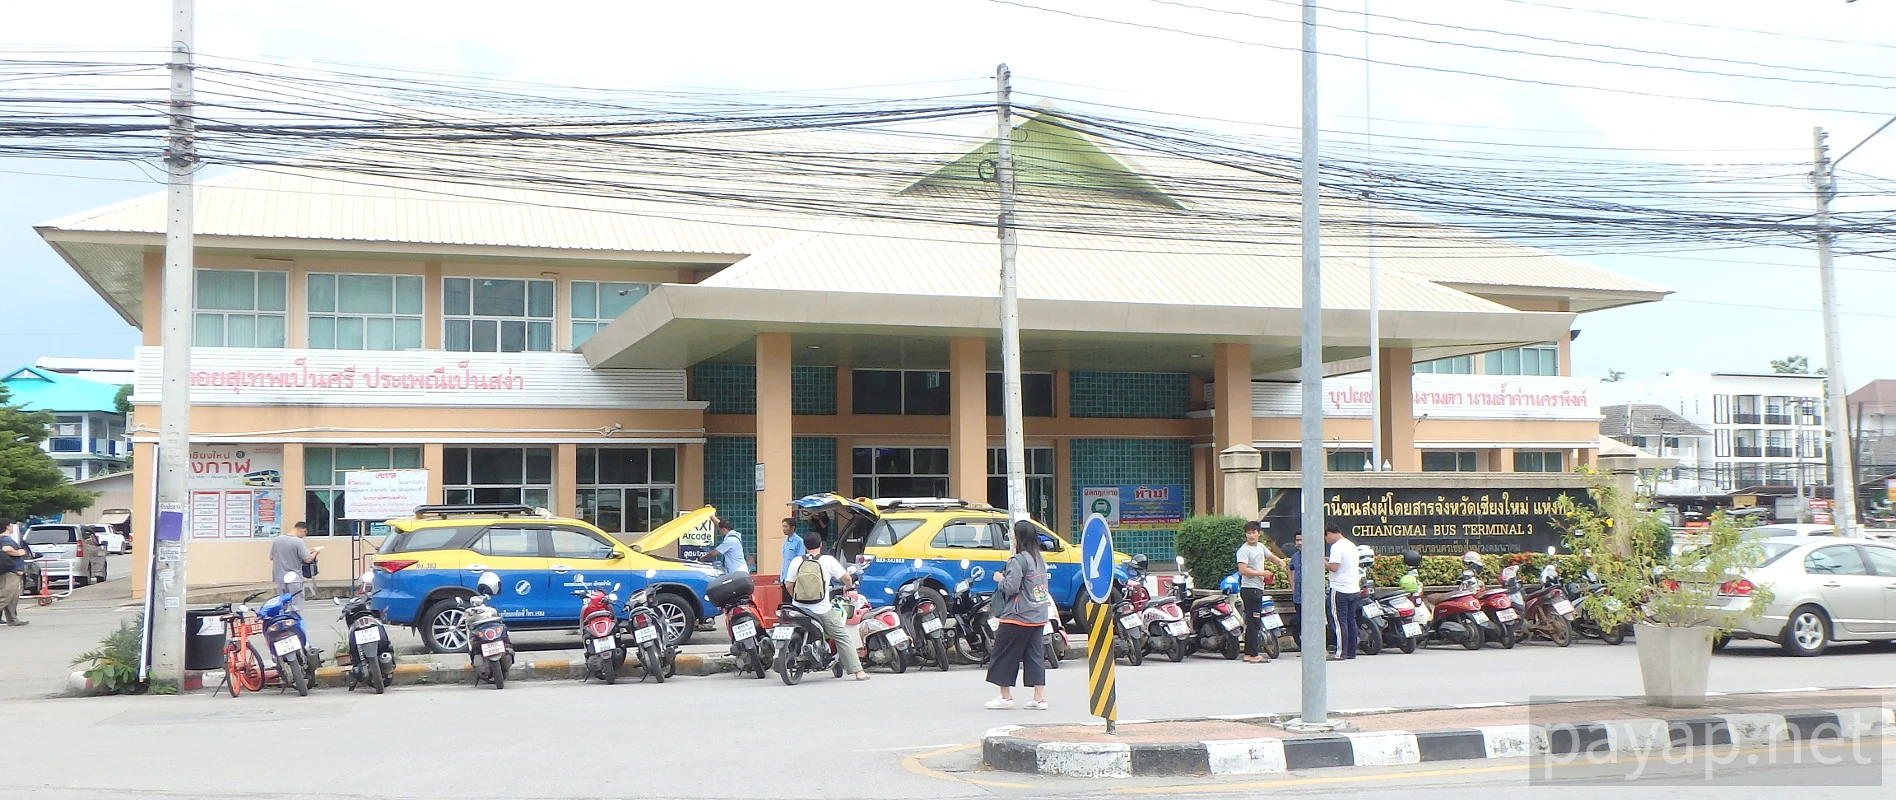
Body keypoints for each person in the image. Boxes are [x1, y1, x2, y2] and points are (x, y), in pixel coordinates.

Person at [986, 519, 1052, 710]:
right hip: (1038, 614)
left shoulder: (1018, 560)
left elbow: (1011, 587)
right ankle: (1040, 698)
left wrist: (1000, 579)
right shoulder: (1039, 558)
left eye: (1013, 534)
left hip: (1017, 616)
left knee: (1003, 654)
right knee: (1035, 656)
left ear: (1019, 537)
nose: (1011, 537)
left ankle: (1005, 697)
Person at [784, 532, 868, 681]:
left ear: (804, 546)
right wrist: (847, 587)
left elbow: (788, 585)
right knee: (842, 636)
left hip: (798, 608)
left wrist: (797, 598)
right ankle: (858, 671)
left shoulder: (796, 561)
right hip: (821, 609)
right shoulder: (828, 560)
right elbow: (846, 578)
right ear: (821, 545)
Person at [1233, 521, 1287, 664]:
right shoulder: (1243, 550)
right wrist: (1262, 573)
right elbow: (1243, 570)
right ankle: (1251, 654)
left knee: (1254, 621)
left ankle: (1250, 653)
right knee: (1254, 621)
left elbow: (1270, 556)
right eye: (1249, 532)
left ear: (1259, 533)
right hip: (1249, 589)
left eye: (1254, 532)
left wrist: (1280, 562)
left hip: (1258, 588)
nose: (1251, 535)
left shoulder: (1260, 547)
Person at [1323, 525, 1362, 661]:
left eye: (1326, 537)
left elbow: (1334, 567)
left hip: (1339, 588)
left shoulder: (1337, 547)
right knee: (1351, 621)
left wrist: (1323, 562)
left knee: (1339, 622)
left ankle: (1340, 652)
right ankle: (1351, 651)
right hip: (1353, 588)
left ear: (1329, 534)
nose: (1327, 540)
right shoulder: (1351, 545)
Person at [270, 521, 321, 609]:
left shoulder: (277, 539)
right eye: (305, 533)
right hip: (294, 579)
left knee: (282, 604)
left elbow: (271, 557)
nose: (304, 536)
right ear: (303, 530)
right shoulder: (298, 541)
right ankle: (293, 622)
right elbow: (308, 559)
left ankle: (282, 621)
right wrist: (316, 552)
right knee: (295, 605)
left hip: (280, 577)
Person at [0, 518, 29, 626]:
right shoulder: (6, 539)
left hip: (7, 571)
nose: (12, 526)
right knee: (5, 596)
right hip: (11, 572)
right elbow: (7, 549)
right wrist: (19, 552)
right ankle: (12, 619)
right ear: (7, 526)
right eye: (10, 525)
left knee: (13, 598)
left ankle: (12, 619)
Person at [1286, 532, 1304, 649]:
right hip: (1298, 595)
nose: (1299, 543)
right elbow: (1291, 569)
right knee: (1299, 620)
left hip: (1311, 597)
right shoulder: (1295, 556)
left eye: (1301, 540)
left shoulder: (1314, 555)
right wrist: (1292, 584)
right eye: (1297, 540)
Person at [777, 517, 805, 587]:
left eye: (786, 526)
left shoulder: (799, 541)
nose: (783, 529)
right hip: (785, 578)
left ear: (792, 528)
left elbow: (801, 560)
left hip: (793, 579)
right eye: (783, 526)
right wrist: (781, 578)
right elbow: (785, 561)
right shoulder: (786, 542)